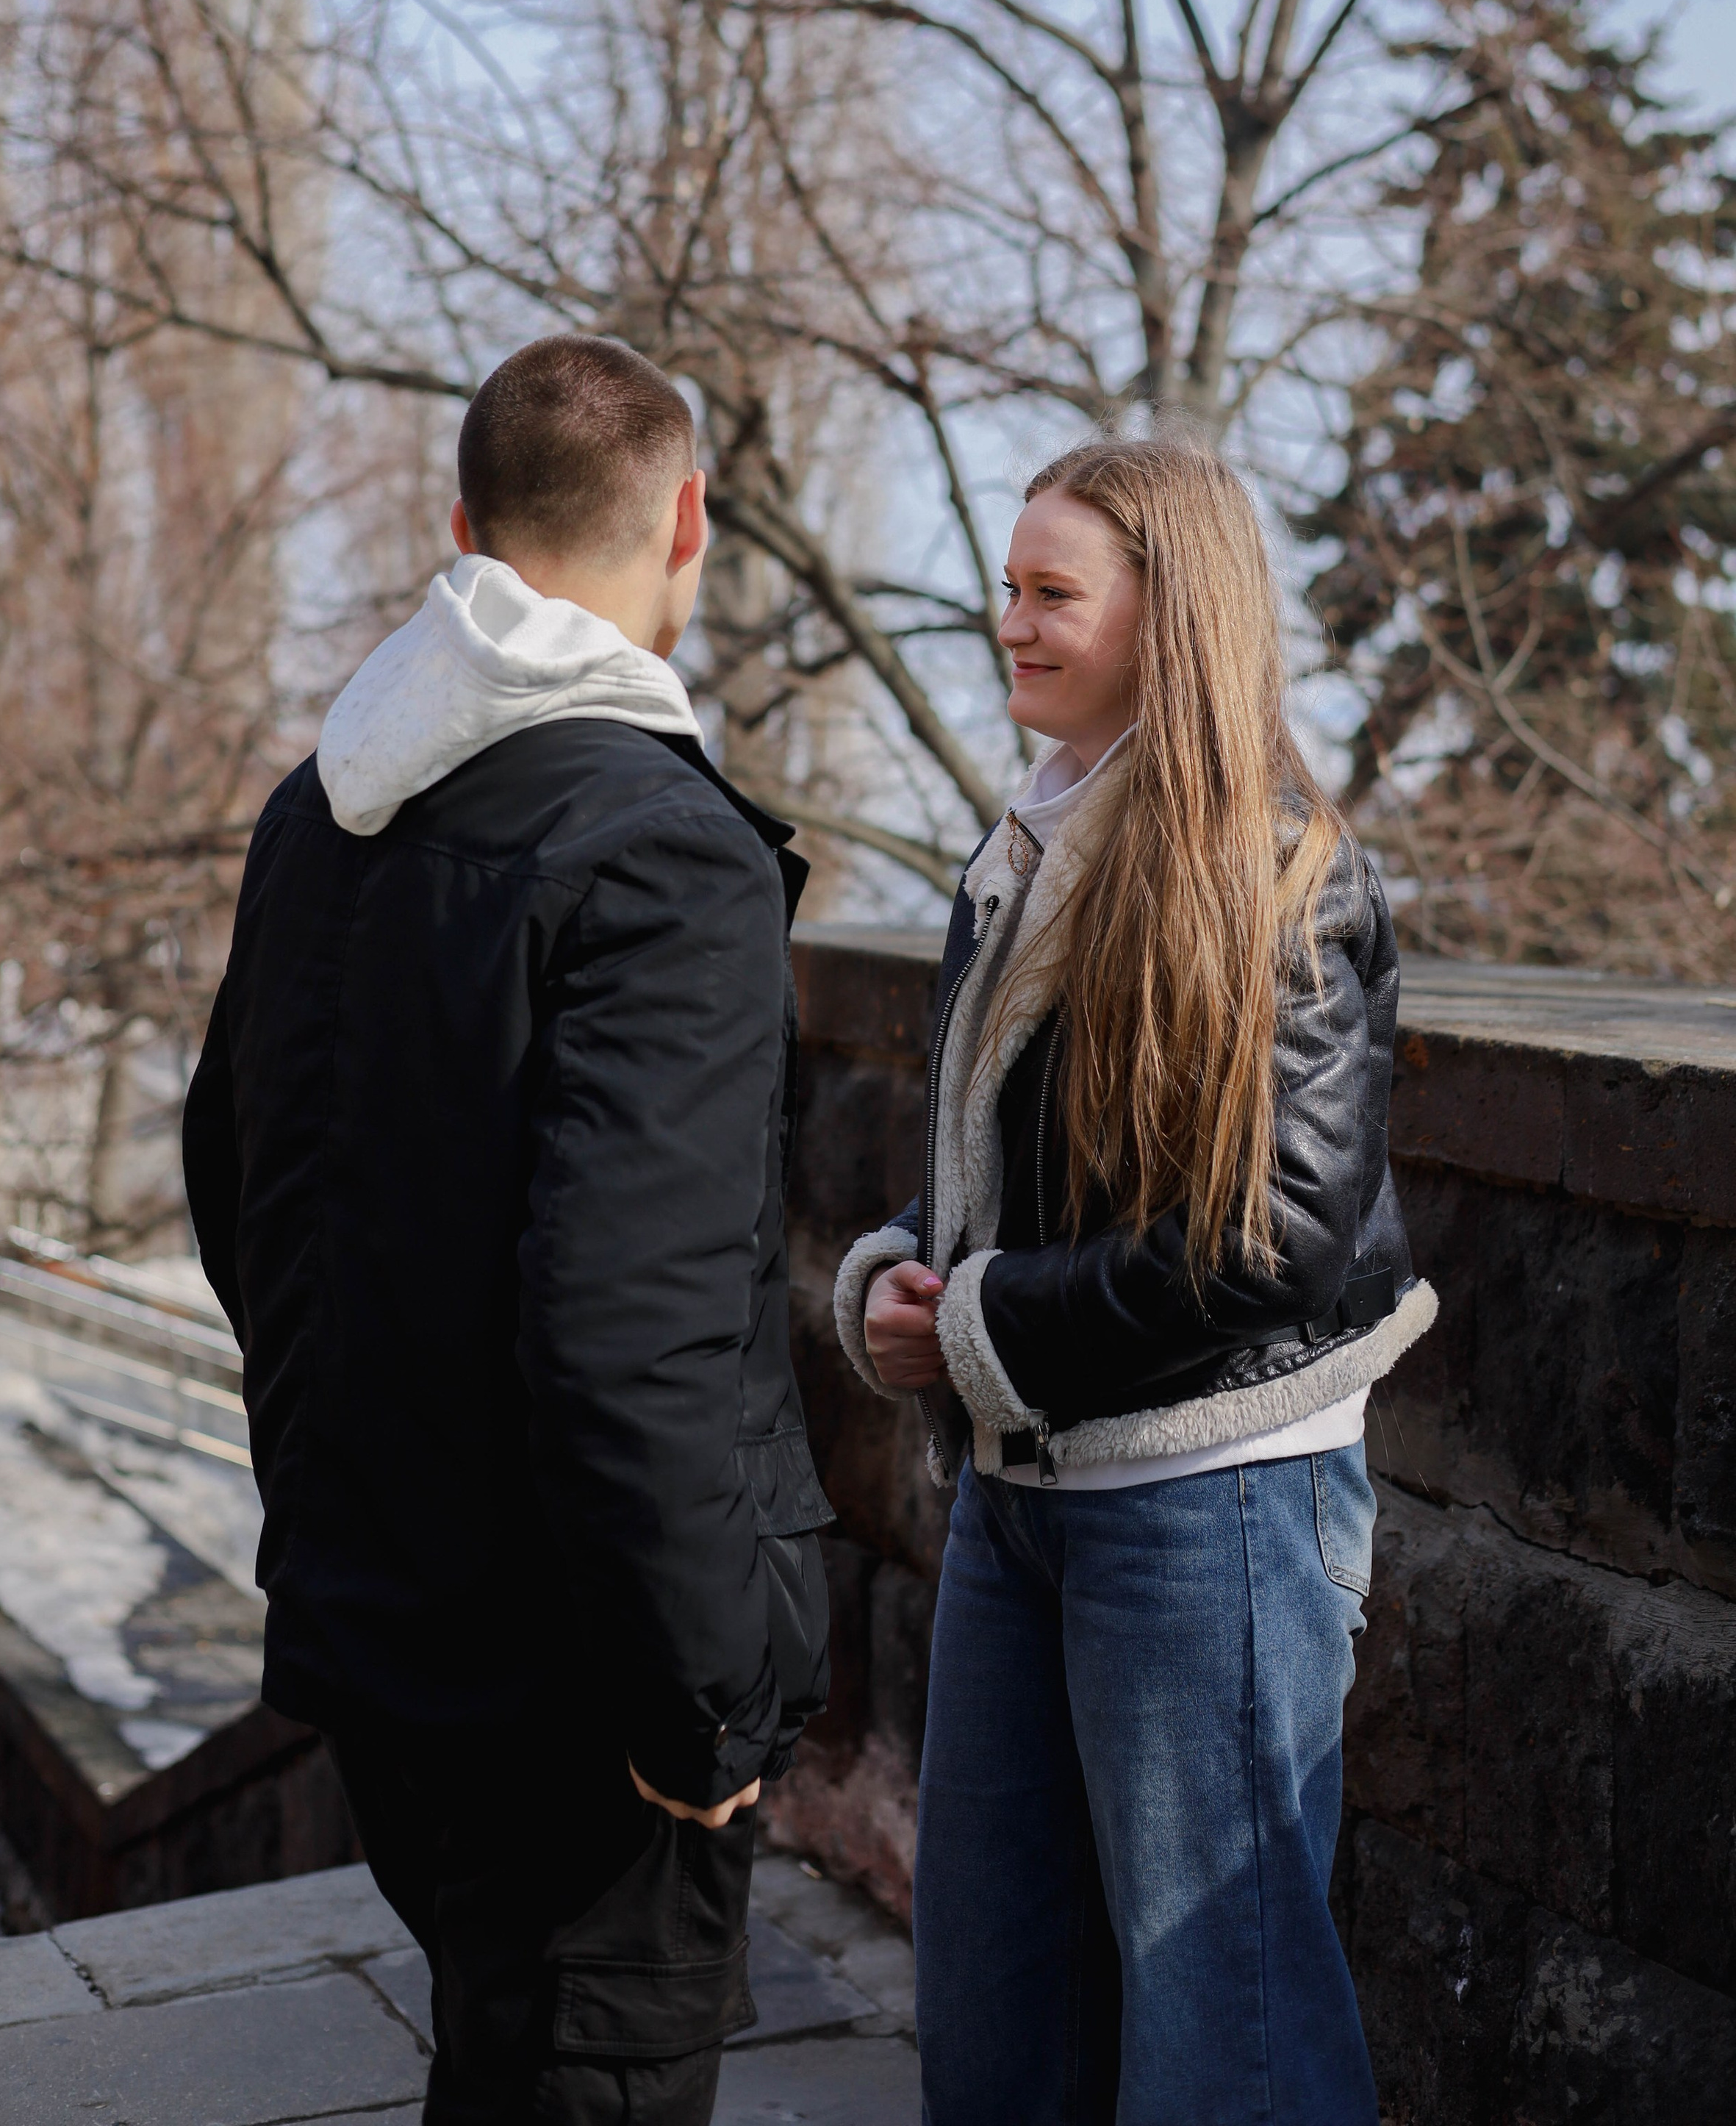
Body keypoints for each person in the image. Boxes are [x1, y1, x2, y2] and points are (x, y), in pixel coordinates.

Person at [183, 334, 832, 2126]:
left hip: (380, 1612)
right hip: (574, 1679)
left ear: (462, 529)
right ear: (688, 517)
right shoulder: (660, 853)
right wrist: (700, 1703)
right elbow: (632, 1325)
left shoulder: (322, 809)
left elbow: (241, 1185)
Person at [833, 433, 1436, 2126]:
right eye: (1006, 588)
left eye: (1050, 595)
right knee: (997, 2016)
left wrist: (973, 1322)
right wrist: (906, 1267)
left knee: (1221, 2040)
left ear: (1168, 618)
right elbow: (1015, 1149)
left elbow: (1274, 1234)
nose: (1007, 623)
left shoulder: (1278, 871)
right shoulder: (1030, 839)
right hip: (1020, 1499)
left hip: (1208, 1512)